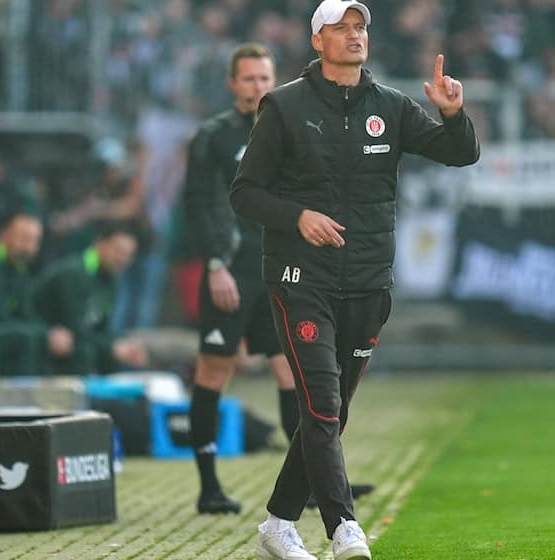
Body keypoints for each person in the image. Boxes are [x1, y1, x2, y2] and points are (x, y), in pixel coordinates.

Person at [229, 1, 480, 558]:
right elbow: (244, 192)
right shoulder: (285, 106)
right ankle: (344, 527)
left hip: (368, 280)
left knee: (332, 415)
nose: (353, 35)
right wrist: (298, 216)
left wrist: (453, 114)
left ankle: (276, 524)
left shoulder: (389, 106)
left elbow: (461, 154)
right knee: (319, 406)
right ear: (317, 41)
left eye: (360, 26)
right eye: (340, 28)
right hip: (300, 279)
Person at [183, 42, 373, 516]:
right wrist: (214, 263)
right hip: (230, 271)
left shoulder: (290, 126)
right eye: (248, 79)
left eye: (264, 78)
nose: (257, 87)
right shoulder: (213, 137)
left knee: (294, 374)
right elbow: (198, 205)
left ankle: (312, 484)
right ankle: (208, 487)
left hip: (278, 270)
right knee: (214, 368)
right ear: (232, 85)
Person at [31, 221, 148, 376]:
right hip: (43, 349)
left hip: (75, 346)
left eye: (128, 255)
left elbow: (100, 328)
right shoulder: (75, 273)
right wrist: (111, 348)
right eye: (118, 251)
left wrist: (122, 344)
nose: (122, 259)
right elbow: (77, 331)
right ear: (99, 243)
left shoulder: (111, 279)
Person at [0, 211, 73, 378]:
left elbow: (26, 314)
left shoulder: (18, 268)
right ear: (3, 234)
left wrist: (50, 333)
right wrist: (45, 336)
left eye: (34, 241)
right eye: (23, 238)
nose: (29, 247)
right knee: (25, 337)